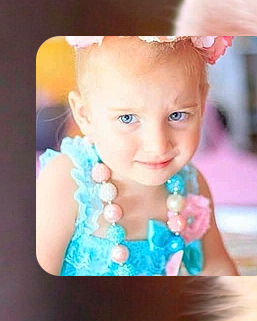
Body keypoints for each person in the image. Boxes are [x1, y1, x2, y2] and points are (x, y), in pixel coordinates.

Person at [36, 35, 238, 276]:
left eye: (177, 115)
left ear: (202, 104)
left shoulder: (191, 187)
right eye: (127, 118)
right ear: (85, 115)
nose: (158, 145)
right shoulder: (67, 183)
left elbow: (217, 270)